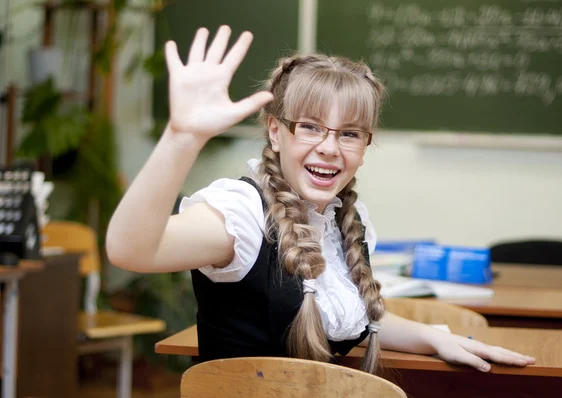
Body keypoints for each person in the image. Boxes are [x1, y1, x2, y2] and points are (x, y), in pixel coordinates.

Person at [106, 25, 535, 374]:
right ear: (275, 131)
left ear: (366, 145)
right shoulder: (241, 213)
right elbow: (131, 250)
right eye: (310, 126)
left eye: (349, 133)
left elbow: (358, 320)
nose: (330, 148)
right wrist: (183, 138)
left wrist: (435, 337)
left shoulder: (345, 218)